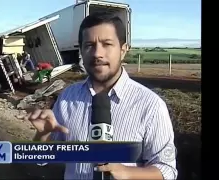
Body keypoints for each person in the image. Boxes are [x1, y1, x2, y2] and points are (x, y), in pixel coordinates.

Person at [23, 12, 177, 180]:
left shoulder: (151, 105)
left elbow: (167, 170)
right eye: (89, 45)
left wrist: (128, 173)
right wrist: (43, 135)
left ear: (123, 50)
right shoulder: (68, 97)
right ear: (81, 51)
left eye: (107, 44)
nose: (97, 53)